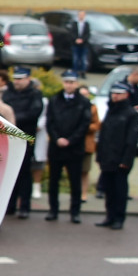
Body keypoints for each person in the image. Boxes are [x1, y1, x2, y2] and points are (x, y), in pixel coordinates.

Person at [45, 70, 91, 224]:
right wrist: (57, 138)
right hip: (56, 147)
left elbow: (84, 124)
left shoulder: (84, 102)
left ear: (76, 84)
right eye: (66, 82)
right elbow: (50, 122)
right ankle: (53, 210)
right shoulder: (54, 100)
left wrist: (70, 140)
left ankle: (75, 212)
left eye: (72, 82)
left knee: (75, 182)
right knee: (54, 180)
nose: (69, 85)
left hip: (74, 148)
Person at [95, 82, 138, 230]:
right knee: (108, 190)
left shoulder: (131, 114)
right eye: (114, 93)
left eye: (119, 94)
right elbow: (104, 135)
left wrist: (126, 160)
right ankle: (110, 216)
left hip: (120, 159)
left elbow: (131, 140)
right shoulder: (110, 110)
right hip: (107, 158)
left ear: (126, 95)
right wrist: (100, 156)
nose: (115, 96)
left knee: (120, 190)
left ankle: (119, 218)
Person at [1, 67, 43, 219]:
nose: (17, 82)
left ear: (28, 79)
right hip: (8, 138)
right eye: (15, 79)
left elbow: (33, 113)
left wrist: (12, 119)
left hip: (25, 137)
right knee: (9, 173)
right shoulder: (8, 93)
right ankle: (10, 205)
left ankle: (24, 206)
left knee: (24, 173)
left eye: (20, 79)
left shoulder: (35, 94)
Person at [78, 84, 100, 203]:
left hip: (87, 144)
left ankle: (84, 193)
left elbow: (97, 125)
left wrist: (85, 127)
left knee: (85, 171)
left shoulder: (93, 108)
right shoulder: (73, 106)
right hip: (74, 143)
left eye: (86, 94)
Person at [70, 10, 91, 78]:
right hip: (75, 44)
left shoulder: (86, 24)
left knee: (83, 59)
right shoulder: (75, 23)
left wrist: (82, 40)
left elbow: (87, 34)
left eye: (82, 15)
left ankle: (83, 72)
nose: (81, 16)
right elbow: (72, 33)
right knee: (76, 59)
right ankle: (75, 72)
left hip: (84, 44)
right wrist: (76, 39)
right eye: (80, 15)